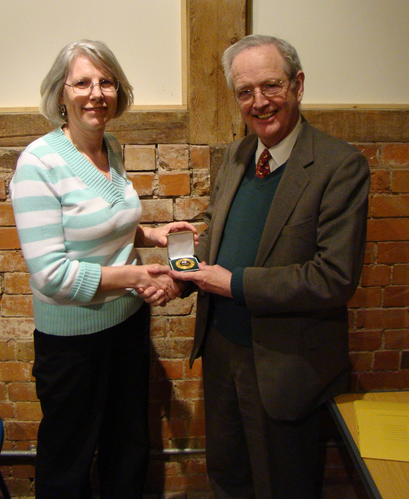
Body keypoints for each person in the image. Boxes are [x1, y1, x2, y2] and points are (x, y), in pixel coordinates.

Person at [158, 34, 370, 498]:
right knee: (227, 479)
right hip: (222, 354)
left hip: (286, 366)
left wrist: (232, 284)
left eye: (271, 86)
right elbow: (218, 229)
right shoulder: (237, 155)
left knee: (284, 486)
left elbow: (333, 278)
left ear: (297, 85)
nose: (259, 102)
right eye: (245, 92)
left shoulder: (341, 166)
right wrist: (183, 274)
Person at [10, 40, 196, 499]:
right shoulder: (38, 163)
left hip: (128, 327)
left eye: (106, 82)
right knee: (68, 461)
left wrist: (151, 236)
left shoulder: (110, 147)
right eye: (83, 83)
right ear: (61, 94)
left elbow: (101, 227)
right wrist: (137, 277)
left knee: (127, 447)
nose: (96, 93)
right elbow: (51, 274)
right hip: (72, 343)